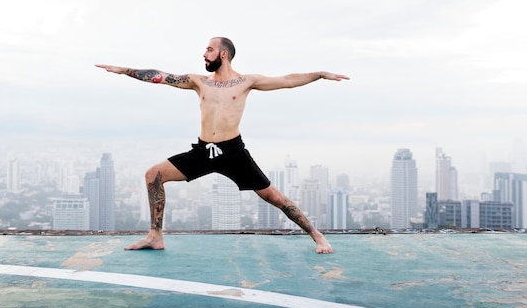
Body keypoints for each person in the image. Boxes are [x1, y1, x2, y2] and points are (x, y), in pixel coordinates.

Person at [96, 37, 349, 254]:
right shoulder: (199, 82)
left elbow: (287, 79)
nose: (204, 54)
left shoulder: (246, 82)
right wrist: (123, 70)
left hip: (233, 152)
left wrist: (319, 75)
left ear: (223, 54)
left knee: (273, 196)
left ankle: (316, 234)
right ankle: (155, 236)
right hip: (203, 151)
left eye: (209, 49)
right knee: (153, 175)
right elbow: (160, 77)